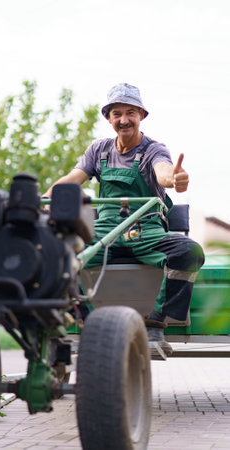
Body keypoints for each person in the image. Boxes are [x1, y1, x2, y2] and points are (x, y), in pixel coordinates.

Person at [43, 83, 205, 356]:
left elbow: (163, 171)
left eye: (130, 112)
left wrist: (174, 179)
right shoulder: (99, 150)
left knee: (189, 251)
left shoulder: (154, 149)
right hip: (105, 231)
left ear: (141, 115)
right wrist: (45, 198)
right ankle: (87, 320)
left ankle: (156, 323)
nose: (124, 119)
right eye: (117, 113)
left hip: (147, 230)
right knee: (56, 252)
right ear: (109, 119)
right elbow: (73, 180)